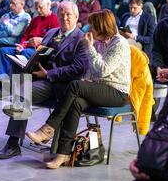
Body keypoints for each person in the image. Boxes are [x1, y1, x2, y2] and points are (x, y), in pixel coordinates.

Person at [26, 9, 131, 169]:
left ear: (102, 27)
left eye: (93, 27)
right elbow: (91, 70)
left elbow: (103, 70)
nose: (90, 30)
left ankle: (48, 129)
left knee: (74, 85)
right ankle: (63, 154)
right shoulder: (99, 42)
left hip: (117, 92)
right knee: (76, 102)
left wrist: (89, 48)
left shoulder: (120, 44)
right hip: (99, 88)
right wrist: (85, 76)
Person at [0, 1, 89, 159]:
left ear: (76, 17)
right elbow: (41, 55)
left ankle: (12, 143)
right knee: (17, 69)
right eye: (61, 14)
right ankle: (17, 110)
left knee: (24, 92)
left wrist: (49, 73)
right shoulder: (52, 32)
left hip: (61, 85)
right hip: (41, 78)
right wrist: (31, 63)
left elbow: (78, 69)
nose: (64, 17)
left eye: (68, 15)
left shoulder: (81, 39)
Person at [0, 0, 60, 78]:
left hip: (39, 51)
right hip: (26, 48)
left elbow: (56, 40)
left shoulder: (55, 20)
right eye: (36, 7)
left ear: (49, 5)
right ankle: (2, 80)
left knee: (24, 53)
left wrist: (42, 40)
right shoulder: (35, 19)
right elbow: (25, 35)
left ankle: (14, 82)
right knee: (3, 51)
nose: (38, 10)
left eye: (41, 7)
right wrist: (22, 45)